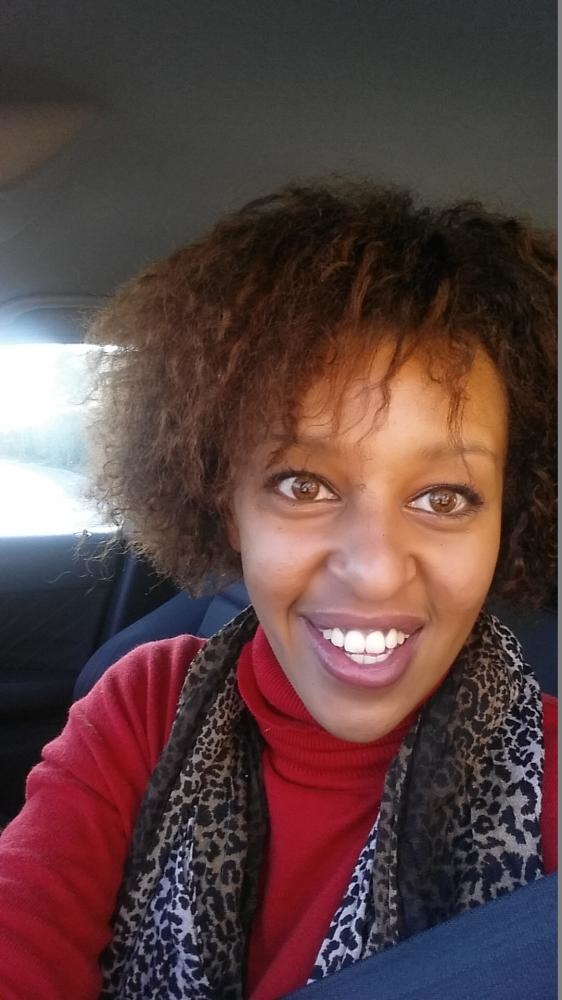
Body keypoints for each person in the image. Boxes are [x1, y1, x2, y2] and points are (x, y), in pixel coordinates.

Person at [0, 181, 557, 1000]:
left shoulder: (551, 777)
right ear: (228, 507)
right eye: (304, 485)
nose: (375, 568)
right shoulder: (145, 709)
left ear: (510, 515)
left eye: (445, 497)